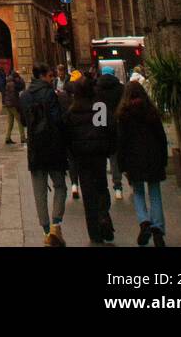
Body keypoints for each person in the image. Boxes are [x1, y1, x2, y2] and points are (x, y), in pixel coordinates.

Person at [19, 63, 69, 248]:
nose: (52, 78)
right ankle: (56, 225)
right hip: (53, 147)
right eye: (50, 75)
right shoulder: (50, 93)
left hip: (35, 149)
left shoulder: (24, 96)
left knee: (39, 192)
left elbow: (24, 121)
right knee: (60, 186)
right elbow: (57, 120)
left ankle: (46, 231)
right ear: (42, 76)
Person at [65, 77, 116, 245]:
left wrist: (72, 154)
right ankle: (103, 215)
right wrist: (109, 149)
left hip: (82, 158)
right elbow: (108, 129)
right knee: (101, 187)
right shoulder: (99, 108)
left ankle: (94, 233)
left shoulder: (73, 110)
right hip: (98, 156)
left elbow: (68, 136)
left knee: (87, 195)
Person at [116, 82, 169, 247]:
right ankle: (158, 229)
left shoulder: (123, 114)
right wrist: (164, 158)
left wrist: (121, 164)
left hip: (133, 159)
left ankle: (144, 222)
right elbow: (161, 137)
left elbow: (121, 142)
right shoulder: (151, 112)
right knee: (155, 193)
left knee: (138, 192)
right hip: (153, 157)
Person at [96, 66, 125, 200]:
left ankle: (103, 187)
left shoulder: (96, 89)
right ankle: (118, 185)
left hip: (102, 125)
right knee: (116, 156)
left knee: (102, 158)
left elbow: (97, 111)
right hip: (118, 125)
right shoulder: (121, 88)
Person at [3, 65, 26, 144]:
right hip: (13, 105)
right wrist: (17, 106)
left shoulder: (9, 82)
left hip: (8, 104)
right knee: (20, 121)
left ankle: (7, 137)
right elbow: (14, 96)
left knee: (10, 122)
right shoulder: (13, 83)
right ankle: (22, 137)